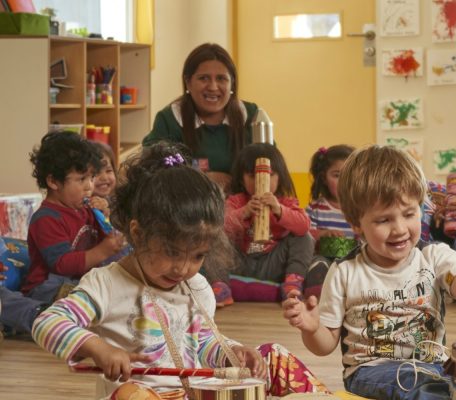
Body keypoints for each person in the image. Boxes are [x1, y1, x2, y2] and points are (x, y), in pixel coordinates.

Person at [31, 142, 329, 399]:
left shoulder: (197, 286)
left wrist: (231, 352)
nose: (184, 267)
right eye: (172, 252)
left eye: (198, 255)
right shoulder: (106, 284)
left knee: (273, 355)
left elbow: (201, 345)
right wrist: (98, 348)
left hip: (197, 391)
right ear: (138, 232)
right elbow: (48, 322)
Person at [281, 145, 456, 399]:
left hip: (434, 369)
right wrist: (311, 328)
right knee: (422, 386)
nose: (400, 229)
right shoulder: (343, 272)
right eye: (384, 220)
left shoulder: (436, 257)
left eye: (408, 214)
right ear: (355, 223)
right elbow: (324, 344)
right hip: (370, 371)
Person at [19, 132, 125, 330]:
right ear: (53, 182)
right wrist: (102, 250)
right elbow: (61, 264)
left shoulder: (85, 210)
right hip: (47, 287)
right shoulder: (46, 219)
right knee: (95, 294)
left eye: (91, 177)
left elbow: (102, 242)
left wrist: (105, 219)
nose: (89, 186)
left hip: (81, 279)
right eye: (81, 179)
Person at [142, 43, 260, 190]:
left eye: (221, 78)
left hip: (247, 206)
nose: (213, 87)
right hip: (188, 208)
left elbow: (270, 167)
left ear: (232, 83)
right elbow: (154, 164)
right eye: (203, 78)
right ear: (188, 82)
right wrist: (200, 174)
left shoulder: (251, 115)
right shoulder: (169, 119)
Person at [215, 143, 313, 306]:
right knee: (214, 236)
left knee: (304, 238)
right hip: (241, 261)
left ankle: (291, 283)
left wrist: (279, 210)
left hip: (272, 263)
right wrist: (244, 212)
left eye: (270, 175)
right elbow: (222, 226)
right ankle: (221, 286)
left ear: (279, 177)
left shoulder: (285, 202)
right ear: (242, 178)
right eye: (252, 176)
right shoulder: (237, 201)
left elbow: (304, 226)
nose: (261, 181)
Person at [306, 145, 356, 241]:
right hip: (321, 256)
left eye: (350, 175)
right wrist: (322, 234)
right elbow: (303, 237)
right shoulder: (314, 209)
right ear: (324, 178)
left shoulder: (362, 209)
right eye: (337, 175)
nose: (344, 181)